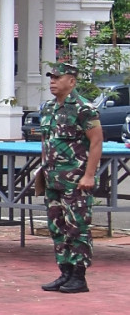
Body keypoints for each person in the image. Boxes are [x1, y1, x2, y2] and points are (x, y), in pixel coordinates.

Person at [39, 62, 102, 294]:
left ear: (72, 81)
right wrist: (42, 171)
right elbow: (46, 142)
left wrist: (89, 175)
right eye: (51, 78)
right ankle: (64, 273)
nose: (52, 81)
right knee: (57, 226)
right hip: (53, 178)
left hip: (76, 180)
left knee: (78, 226)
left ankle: (79, 277)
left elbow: (96, 142)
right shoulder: (47, 108)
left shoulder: (84, 109)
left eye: (57, 77)